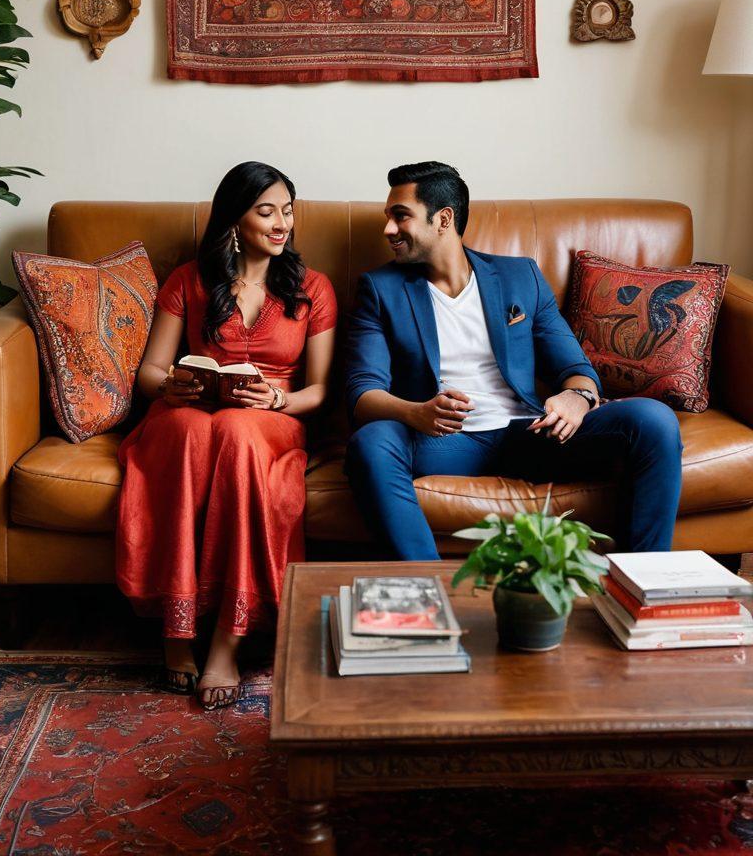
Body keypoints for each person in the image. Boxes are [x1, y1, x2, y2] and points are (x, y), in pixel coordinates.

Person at [344, 161, 683, 560]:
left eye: (400, 216)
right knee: (372, 442)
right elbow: (362, 393)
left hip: (529, 434)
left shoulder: (520, 276)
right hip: (445, 441)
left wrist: (578, 399)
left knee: (654, 420)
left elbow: (577, 371)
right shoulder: (380, 289)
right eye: (388, 217)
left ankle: (642, 583)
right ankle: (428, 589)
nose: (388, 229)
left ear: (444, 219)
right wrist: (417, 412)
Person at [117, 162, 337, 708]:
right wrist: (173, 387)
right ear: (234, 221)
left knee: (238, 431)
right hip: (190, 411)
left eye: (288, 210)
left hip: (270, 418)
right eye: (266, 212)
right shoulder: (190, 279)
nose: (282, 223)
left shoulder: (313, 288)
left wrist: (278, 398)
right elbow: (149, 371)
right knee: (191, 432)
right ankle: (177, 630)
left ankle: (226, 643)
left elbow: (321, 391)